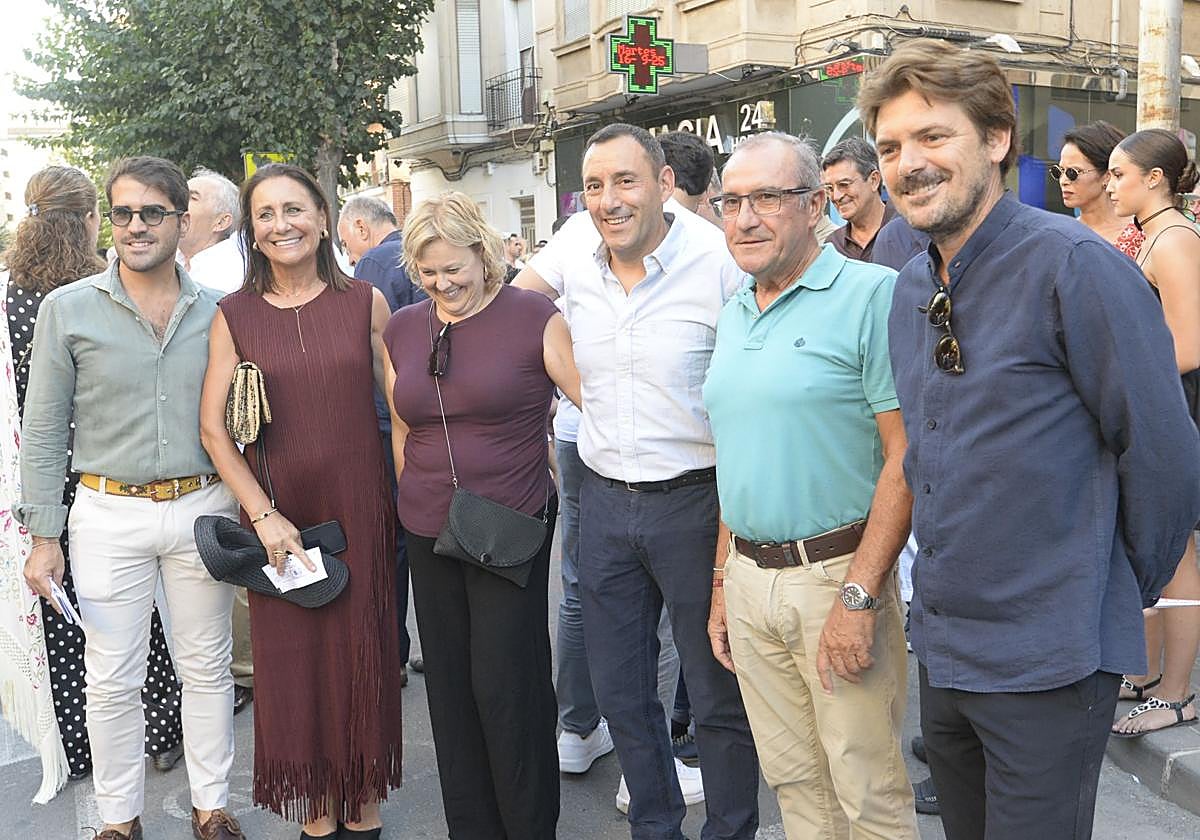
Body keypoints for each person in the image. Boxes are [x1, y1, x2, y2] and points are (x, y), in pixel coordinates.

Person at [859, 39, 1200, 840]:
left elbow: (1164, 456)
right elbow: (924, 454)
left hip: (1049, 661)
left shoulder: (1075, 265)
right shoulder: (911, 283)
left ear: (998, 139)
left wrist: (1100, 591)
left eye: (933, 136)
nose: (909, 162)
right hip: (945, 655)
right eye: (891, 146)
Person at [517, 123, 759, 840]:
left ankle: (730, 829)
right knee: (622, 692)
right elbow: (520, 312)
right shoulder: (572, 249)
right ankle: (655, 826)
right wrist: (579, 394)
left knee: (716, 692)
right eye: (594, 186)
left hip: (698, 500)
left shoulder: (717, 259)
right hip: (601, 500)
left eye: (625, 181)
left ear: (663, 185)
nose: (608, 199)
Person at [17, 156, 245, 840]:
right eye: (122, 213)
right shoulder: (69, 308)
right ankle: (118, 819)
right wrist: (44, 536)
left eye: (152, 213)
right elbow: (46, 427)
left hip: (201, 505)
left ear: (181, 220)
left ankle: (212, 806)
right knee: (111, 678)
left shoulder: (220, 311)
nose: (136, 226)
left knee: (205, 667)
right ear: (106, 220)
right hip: (105, 513)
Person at [703, 131, 917, 840]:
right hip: (748, 581)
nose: (745, 218)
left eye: (767, 197)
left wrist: (860, 595)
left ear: (816, 204)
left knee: (867, 790)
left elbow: (905, 456)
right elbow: (738, 456)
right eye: (731, 201)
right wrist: (721, 588)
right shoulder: (735, 310)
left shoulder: (873, 295)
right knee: (795, 783)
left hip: (835, 580)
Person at [199, 163, 403, 839]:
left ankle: (364, 809)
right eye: (266, 214)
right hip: (279, 520)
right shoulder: (234, 316)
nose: (281, 224)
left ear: (322, 218)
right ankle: (315, 814)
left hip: (361, 510)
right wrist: (263, 515)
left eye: (295, 209)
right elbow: (214, 429)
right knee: (296, 665)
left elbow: (402, 412)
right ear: (252, 234)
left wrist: (414, 501)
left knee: (363, 657)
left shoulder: (366, 302)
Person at [382, 190, 580, 839]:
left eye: (454, 270)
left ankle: (528, 828)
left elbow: (592, 400)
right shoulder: (405, 326)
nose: (443, 284)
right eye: (429, 273)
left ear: (483, 254)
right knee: (450, 690)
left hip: (509, 524)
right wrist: (412, 490)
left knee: (506, 686)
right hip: (429, 524)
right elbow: (402, 423)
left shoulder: (533, 316)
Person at [1, 165, 186, 800]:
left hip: (37, 470)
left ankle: (80, 744)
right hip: (107, 466)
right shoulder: (101, 288)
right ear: (88, 220)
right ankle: (160, 733)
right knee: (131, 618)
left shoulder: (11, 295)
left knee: (64, 612)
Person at [1106, 128, 1200, 737]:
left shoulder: (1174, 240)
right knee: (1167, 551)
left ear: (1155, 178)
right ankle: (1150, 675)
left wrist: (1128, 384)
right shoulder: (1162, 236)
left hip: (1179, 410)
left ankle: (1176, 694)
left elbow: (1189, 345)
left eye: (1118, 173)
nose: (1110, 184)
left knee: (1179, 554)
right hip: (1166, 409)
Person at [337, 194, 425, 684]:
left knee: (392, 542)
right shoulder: (418, 251)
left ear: (360, 228)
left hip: (389, 420)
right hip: (432, 418)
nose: (348, 252)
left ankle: (391, 650)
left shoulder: (373, 263)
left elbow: (364, 346)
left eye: (346, 239)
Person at [1056, 121, 1144, 258]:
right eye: (1059, 171)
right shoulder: (1060, 234)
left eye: (1073, 172)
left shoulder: (1142, 235)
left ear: (1107, 176)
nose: (1063, 181)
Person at [821, 137, 898, 262]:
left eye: (844, 184)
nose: (836, 196)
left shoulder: (909, 231)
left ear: (874, 180)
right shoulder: (833, 246)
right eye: (829, 188)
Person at [179, 167, 246, 294]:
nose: (176, 202)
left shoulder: (229, 274)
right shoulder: (172, 258)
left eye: (192, 197)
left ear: (221, 222)